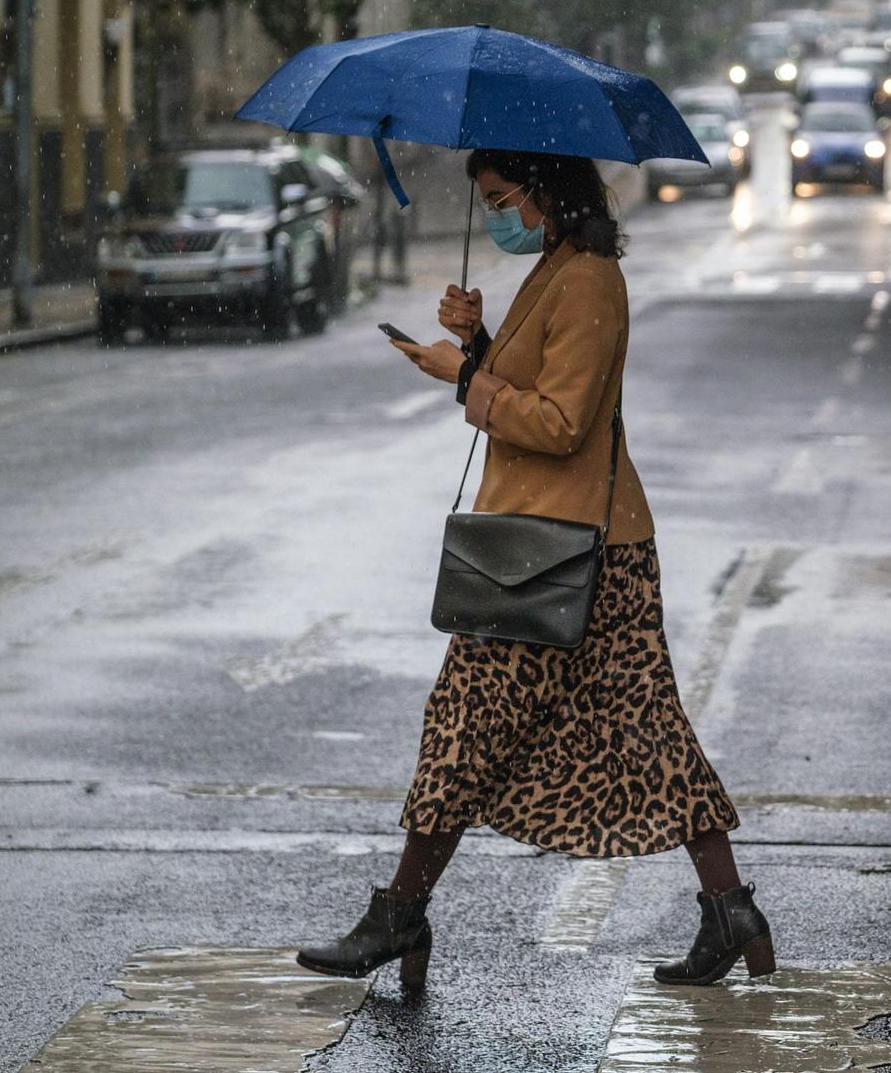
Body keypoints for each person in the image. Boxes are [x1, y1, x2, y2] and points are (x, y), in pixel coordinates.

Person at [296, 149, 771, 993]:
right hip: (579, 543)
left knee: (464, 727)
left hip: (567, 551)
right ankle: (730, 908)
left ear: (545, 194)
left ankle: (401, 913)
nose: (492, 216)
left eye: (499, 198)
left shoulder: (588, 278)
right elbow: (531, 382)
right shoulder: (558, 266)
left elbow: (559, 422)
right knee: (649, 735)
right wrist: (476, 339)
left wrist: (465, 378)